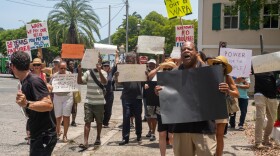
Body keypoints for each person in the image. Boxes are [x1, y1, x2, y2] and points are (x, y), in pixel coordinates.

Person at [155, 41, 232, 156]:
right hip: (181, 129)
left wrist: (224, 90)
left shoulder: (210, 73)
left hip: (204, 128)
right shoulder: (173, 75)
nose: (186, 51)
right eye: (183, 50)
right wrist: (159, 92)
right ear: (181, 55)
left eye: (189, 49)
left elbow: (216, 99)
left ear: (196, 52)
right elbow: (170, 100)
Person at [11, 51, 56, 156]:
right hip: (38, 132)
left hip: (44, 134)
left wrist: (26, 104)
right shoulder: (25, 81)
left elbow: (48, 105)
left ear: (13, 66)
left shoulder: (33, 81)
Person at [207, 56, 239, 156]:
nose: (217, 66)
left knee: (219, 135)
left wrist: (228, 90)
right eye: (215, 64)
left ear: (224, 67)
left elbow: (237, 93)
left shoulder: (227, 78)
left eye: (219, 64)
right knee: (208, 135)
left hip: (222, 107)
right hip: (209, 108)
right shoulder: (208, 76)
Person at [149, 59, 177, 156]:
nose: (167, 71)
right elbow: (155, 91)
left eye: (169, 69)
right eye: (165, 69)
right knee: (162, 134)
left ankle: (175, 153)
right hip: (161, 110)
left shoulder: (178, 79)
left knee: (172, 136)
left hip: (174, 110)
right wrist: (156, 91)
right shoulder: (159, 79)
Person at [77, 59, 108, 149]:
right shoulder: (88, 72)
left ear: (100, 64)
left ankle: (98, 137)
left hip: (99, 102)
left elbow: (104, 82)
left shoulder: (103, 72)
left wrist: (99, 71)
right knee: (87, 122)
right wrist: (79, 71)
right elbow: (80, 81)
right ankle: (85, 142)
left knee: (99, 122)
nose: (96, 64)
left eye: (98, 63)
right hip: (89, 102)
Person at [114, 52, 143, 145]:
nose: (128, 62)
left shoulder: (139, 70)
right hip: (126, 97)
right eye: (127, 60)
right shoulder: (123, 70)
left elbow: (146, 79)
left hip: (137, 97)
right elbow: (119, 83)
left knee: (138, 117)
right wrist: (116, 77)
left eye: (130, 60)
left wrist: (145, 75)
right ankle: (125, 138)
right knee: (126, 117)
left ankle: (138, 135)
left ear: (134, 60)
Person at [253, 71, 279, 148]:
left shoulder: (274, 66)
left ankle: (266, 139)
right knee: (260, 118)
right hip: (259, 93)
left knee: (272, 118)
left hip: (272, 95)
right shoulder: (256, 66)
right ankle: (258, 142)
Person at [50, 61, 73, 142]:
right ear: (58, 67)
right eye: (61, 68)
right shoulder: (54, 76)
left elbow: (74, 85)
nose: (63, 69)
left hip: (67, 97)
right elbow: (50, 86)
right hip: (57, 97)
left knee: (66, 116)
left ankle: (65, 135)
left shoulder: (70, 74)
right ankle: (57, 131)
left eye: (64, 68)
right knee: (58, 116)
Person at [102, 52, 118, 128]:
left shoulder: (111, 72)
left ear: (109, 66)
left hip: (109, 93)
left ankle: (106, 122)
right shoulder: (99, 72)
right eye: (104, 66)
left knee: (108, 109)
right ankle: (100, 121)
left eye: (107, 66)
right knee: (101, 108)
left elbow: (116, 64)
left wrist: (117, 54)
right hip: (101, 93)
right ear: (102, 66)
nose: (106, 67)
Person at [144, 59, 158, 141]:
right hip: (146, 97)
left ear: (156, 65)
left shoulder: (158, 73)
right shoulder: (144, 74)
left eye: (153, 64)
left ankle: (153, 132)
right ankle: (150, 130)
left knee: (154, 117)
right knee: (148, 116)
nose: (151, 65)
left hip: (156, 98)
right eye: (150, 64)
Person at [68, 60, 79, 127]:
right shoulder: (65, 71)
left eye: (72, 64)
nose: (71, 65)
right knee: (67, 106)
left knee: (74, 107)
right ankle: (65, 120)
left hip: (75, 90)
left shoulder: (76, 70)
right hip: (67, 91)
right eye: (70, 64)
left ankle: (73, 121)